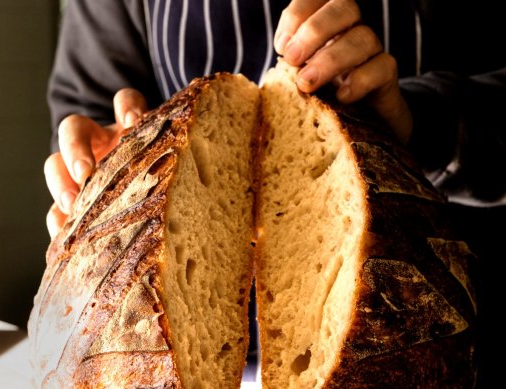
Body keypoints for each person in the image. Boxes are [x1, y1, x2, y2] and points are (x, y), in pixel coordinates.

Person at [42, 0, 505, 386]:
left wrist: (424, 124)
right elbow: (88, 104)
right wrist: (107, 175)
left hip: (425, 339)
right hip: (154, 357)